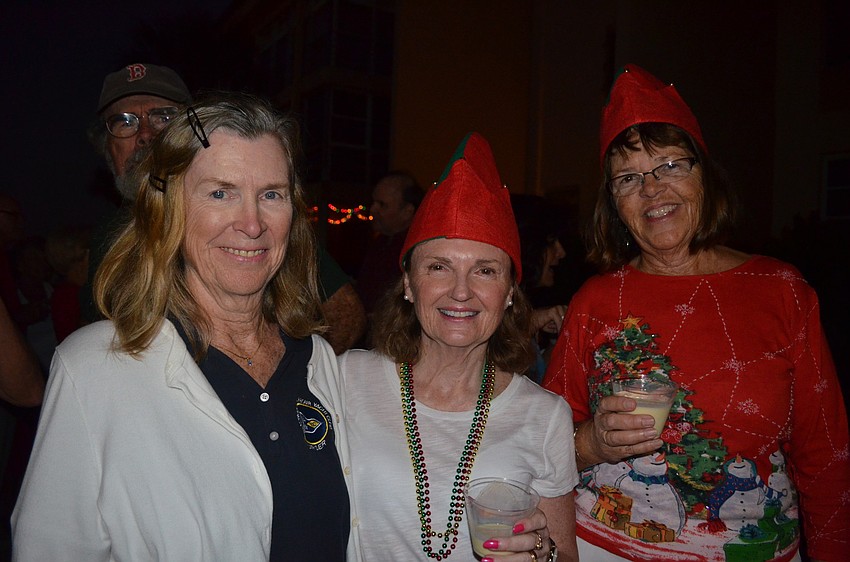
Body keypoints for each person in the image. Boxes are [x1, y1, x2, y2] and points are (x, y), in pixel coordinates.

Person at [13, 92, 352, 560]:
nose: (252, 223)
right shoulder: (95, 368)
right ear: (170, 210)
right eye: (220, 193)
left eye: (271, 194)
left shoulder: (317, 359)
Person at [542, 64, 850, 562]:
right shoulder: (594, 301)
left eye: (670, 165)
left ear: (704, 173)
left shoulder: (782, 291)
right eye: (628, 177)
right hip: (605, 547)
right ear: (613, 203)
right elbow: (541, 443)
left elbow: (827, 457)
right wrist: (592, 443)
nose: (651, 189)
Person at [339, 132, 579, 562]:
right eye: (439, 267)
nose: (461, 291)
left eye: (485, 271)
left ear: (509, 292)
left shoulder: (545, 417)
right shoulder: (345, 379)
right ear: (409, 284)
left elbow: (565, 555)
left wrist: (541, 553)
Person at [82, 62, 365, 353]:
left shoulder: (263, 226)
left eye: (163, 117)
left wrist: (305, 373)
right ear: (107, 145)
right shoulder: (107, 236)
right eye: (125, 122)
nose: (144, 134)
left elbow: (346, 313)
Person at [512, 194, 569, 383]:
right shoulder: (495, 300)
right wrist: (531, 322)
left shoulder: (525, 304)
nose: (561, 252)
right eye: (551, 242)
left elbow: (534, 382)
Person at [355, 171, 423, 323]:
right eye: (373, 202)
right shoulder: (380, 243)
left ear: (407, 211)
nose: (373, 209)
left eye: (382, 204)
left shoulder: (416, 250)